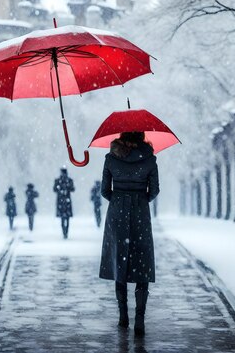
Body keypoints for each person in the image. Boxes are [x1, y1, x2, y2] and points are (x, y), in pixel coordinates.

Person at [99, 132, 159, 337]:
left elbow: (104, 190)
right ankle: (139, 319)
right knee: (142, 262)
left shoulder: (111, 158)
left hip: (117, 212)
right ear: (142, 137)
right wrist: (140, 200)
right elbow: (155, 191)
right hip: (140, 211)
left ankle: (123, 316)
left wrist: (119, 200)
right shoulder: (150, 159)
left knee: (120, 261)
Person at [53, 167, 75, 239]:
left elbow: (72, 189)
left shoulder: (64, 180)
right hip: (63, 201)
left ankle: (65, 233)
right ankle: (65, 233)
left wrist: (64, 187)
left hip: (63, 202)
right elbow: (54, 189)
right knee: (64, 218)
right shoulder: (62, 180)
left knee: (65, 218)